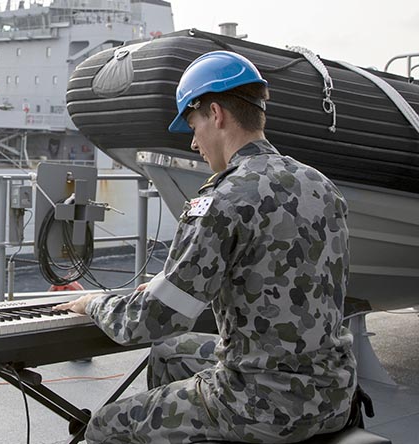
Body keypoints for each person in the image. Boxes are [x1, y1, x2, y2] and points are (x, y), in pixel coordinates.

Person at [55, 51, 357, 443]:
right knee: (171, 351)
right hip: (333, 395)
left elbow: (154, 319)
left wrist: (94, 302)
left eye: (192, 124)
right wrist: (168, 281)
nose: (194, 141)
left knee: (104, 426)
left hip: (262, 404)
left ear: (216, 114)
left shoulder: (223, 197)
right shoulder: (321, 185)